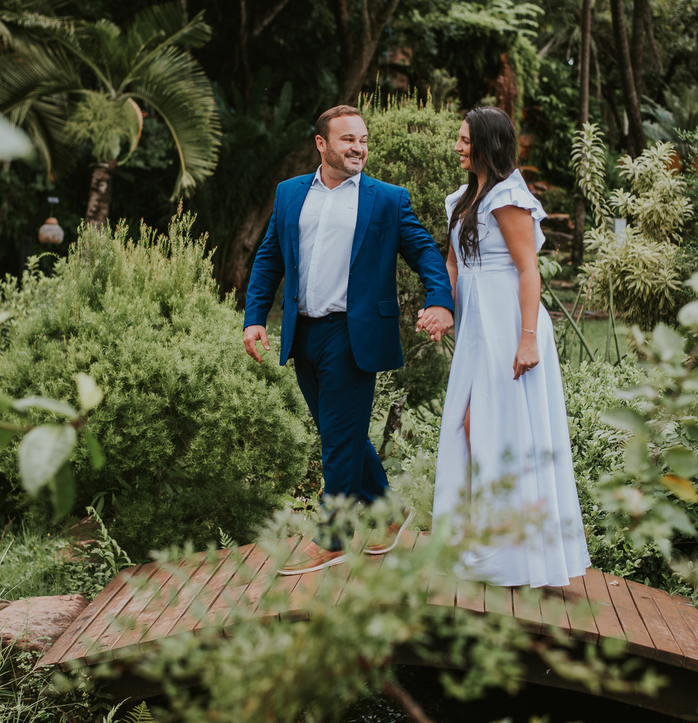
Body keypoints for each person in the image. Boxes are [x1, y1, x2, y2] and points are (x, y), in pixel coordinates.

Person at [243, 105, 455, 575]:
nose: (358, 147)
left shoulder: (387, 199)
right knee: (343, 436)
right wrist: (254, 316)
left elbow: (424, 251)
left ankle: (333, 537)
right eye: (347, 140)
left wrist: (440, 300)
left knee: (337, 442)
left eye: (363, 139)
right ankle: (391, 514)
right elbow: (269, 256)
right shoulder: (289, 193)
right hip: (303, 332)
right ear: (322, 144)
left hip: (353, 334)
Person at [418, 107, 590, 588]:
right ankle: (477, 541)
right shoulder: (461, 197)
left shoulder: (509, 198)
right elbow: (452, 263)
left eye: (464, 140)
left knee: (495, 429)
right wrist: (440, 309)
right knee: (465, 428)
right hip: (476, 326)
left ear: (488, 145)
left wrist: (528, 338)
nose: (457, 146)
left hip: (510, 324)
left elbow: (528, 270)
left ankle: (512, 556)